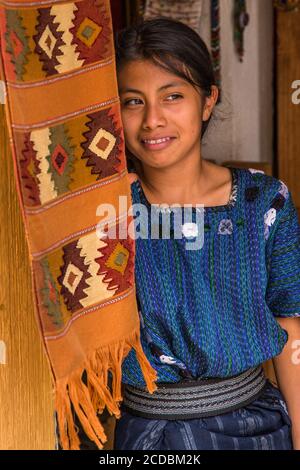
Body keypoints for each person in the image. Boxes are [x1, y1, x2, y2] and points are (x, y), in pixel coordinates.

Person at [110, 17, 300, 451]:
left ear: (208, 100)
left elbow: (291, 326)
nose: (153, 120)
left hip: (258, 429)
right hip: (148, 436)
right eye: (133, 101)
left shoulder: (264, 202)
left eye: (172, 96)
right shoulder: (106, 215)